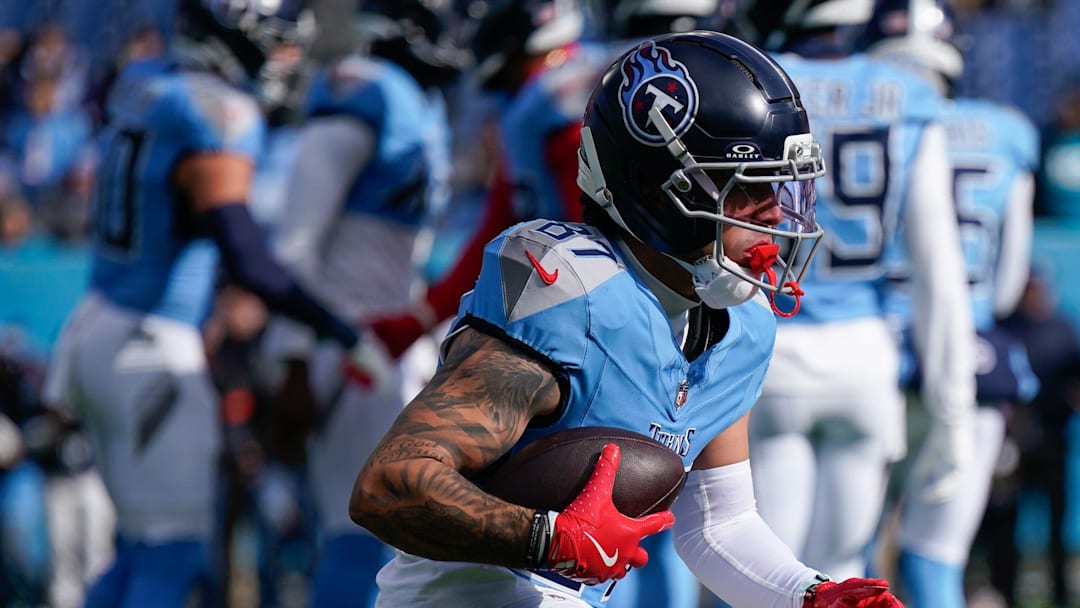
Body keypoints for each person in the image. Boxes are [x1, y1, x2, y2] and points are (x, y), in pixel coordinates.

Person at [349, 30, 905, 608]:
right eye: (749, 193)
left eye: (784, 190)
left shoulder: (741, 326)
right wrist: (549, 538)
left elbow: (718, 526)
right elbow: (388, 485)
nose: (777, 218)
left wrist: (810, 595)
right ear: (657, 191)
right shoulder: (574, 296)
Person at [39, 1, 387, 606]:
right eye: (273, 39)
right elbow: (248, 255)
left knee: (141, 550)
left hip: (100, 326)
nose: (284, 57)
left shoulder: (148, 83)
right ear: (235, 33)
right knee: (172, 556)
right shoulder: (218, 111)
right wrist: (342, 331)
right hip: (149, 346)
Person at [741, 0, 977, 584]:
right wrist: (955, 407)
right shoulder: (906, 93)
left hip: (773, 350)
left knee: (763, 577)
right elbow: (938, 269)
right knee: (843, 574)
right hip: (866, 358)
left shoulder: (755, 79)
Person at [260, 1, 465, 606]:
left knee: (404, 545)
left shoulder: (414, 101)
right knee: (363, 536)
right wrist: (292, 363)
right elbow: (295, 247)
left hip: (390, 347)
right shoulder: (361, 91)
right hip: (343, 350)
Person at [860, 1, 1041, 606]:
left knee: (845, 560)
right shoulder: (1008, 131)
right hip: (970, 355)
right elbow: (1010, 284)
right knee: (936, 560)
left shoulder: (869, 116)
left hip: (875, 348)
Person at [362, 0, 609, 361]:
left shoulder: (561, 104)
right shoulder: (536, 103)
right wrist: (418, 320)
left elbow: (603, 245)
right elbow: (500, 231)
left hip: (620, 313)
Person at [994, 271, 1080, 607]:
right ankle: (1004, 591)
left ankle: (1061, 592)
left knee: (1057, 521)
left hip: (1053, 438)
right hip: (1012, 443)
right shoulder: (1008, 327)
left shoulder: (1062, 329)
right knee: (1005, 522)